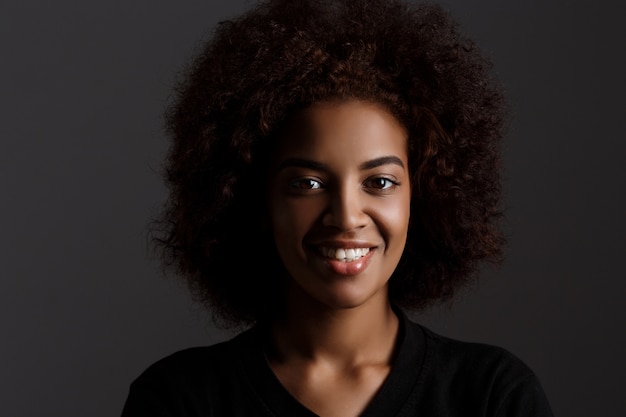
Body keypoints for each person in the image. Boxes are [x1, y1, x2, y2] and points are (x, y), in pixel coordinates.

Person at [121, 0, 553, 415]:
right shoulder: (179, 400)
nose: (347, 216)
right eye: (308, 183)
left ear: (422, 196)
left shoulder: (492, 396)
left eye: (379, 182)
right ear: (255, 200)